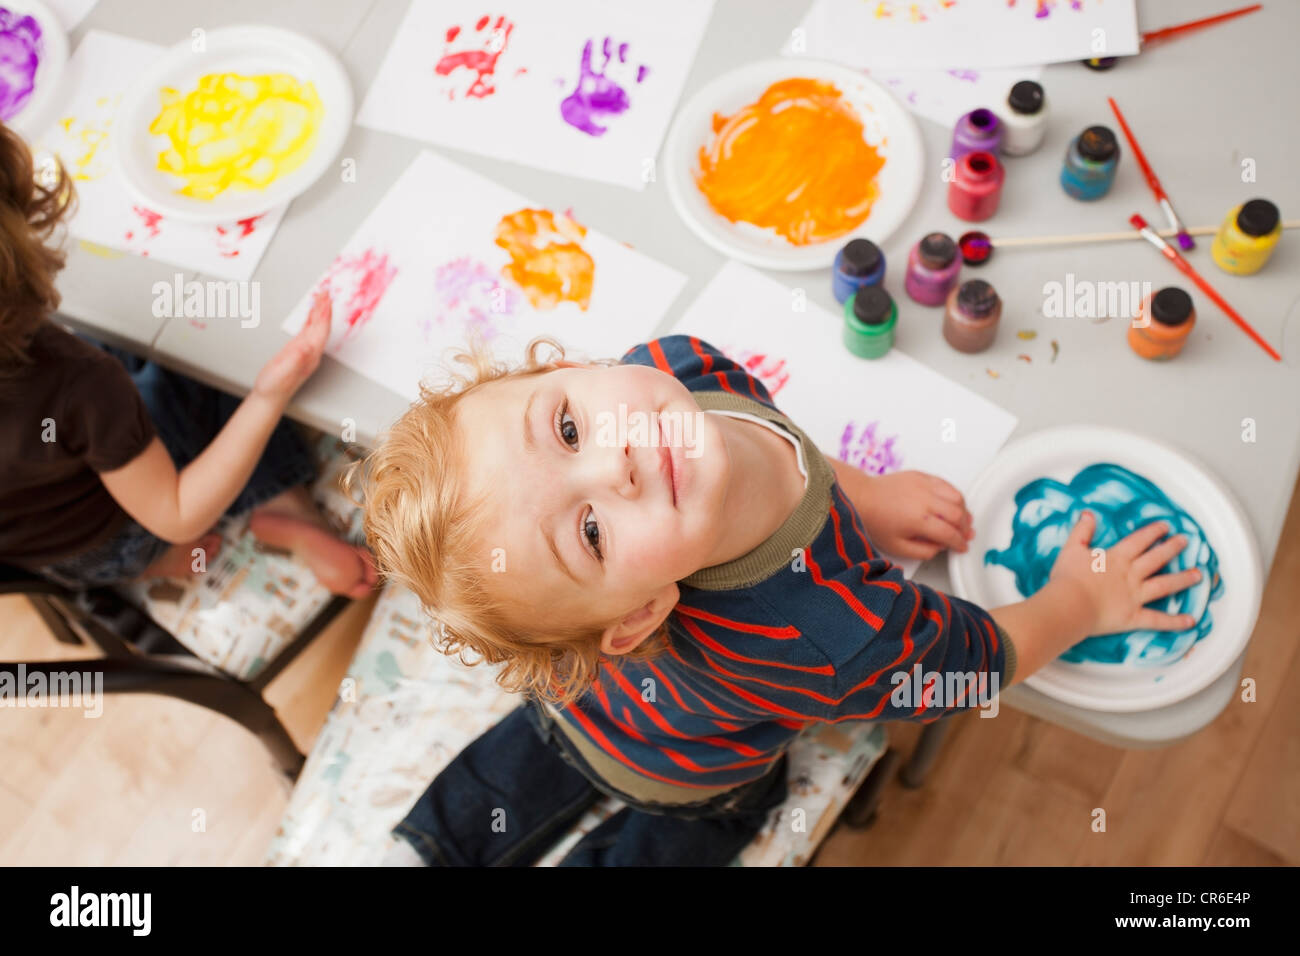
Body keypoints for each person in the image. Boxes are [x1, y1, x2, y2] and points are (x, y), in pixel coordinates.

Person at [356, 333, 1200, 867]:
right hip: (689, 772)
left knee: (531, 748)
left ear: (571, 366)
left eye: (569, 428)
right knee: (682, 829)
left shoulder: (675, 367)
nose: (614, 462)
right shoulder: (837, 636)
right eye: (590, 532)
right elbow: (974, 669)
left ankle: (443, 838)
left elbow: (782, 448)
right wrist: (1081, 606)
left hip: (576, 702)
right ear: (642, 612)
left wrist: (862, 495)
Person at [0, 122, 376, 597]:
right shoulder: (75, 381)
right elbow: (177, 513)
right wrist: (268, 396)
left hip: (55, 558)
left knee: (116, 361)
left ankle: (158, 559)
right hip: (130, 529)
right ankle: (278, 507)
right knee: (194, 353)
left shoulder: (69, 385)